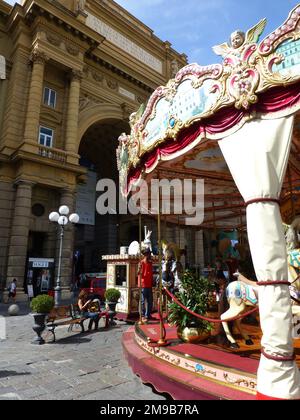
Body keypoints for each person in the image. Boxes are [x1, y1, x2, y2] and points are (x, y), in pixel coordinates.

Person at [138, 249, 153, 323]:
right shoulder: (141, 263)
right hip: (143, 284)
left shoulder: (150, 263)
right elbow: (139, 273)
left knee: (150, 301)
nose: (150, 255)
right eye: (148, 254)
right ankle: (143, 315)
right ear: (146, 255)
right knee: (143, 301)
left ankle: (148, 314)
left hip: (149, 284)